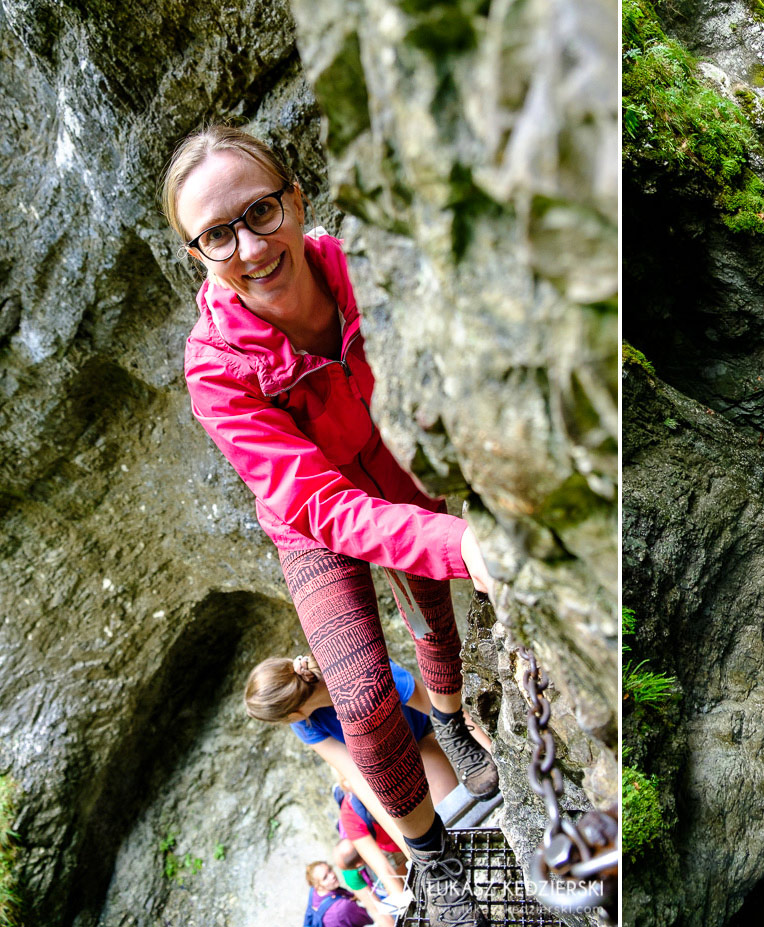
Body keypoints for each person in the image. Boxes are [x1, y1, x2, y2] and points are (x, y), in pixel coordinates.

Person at [164, 125, 494, 925]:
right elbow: (315, 499)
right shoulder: (215, 365)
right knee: (358, 690)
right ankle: (432, 856)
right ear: (197, 253)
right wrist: (462, 542)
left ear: (296, 199)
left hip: (390, 459)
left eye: (261, 211)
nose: (249, 244)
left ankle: (449, 721)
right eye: (217, 233)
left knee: (433, 614)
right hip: (310, 516)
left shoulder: (363, 272)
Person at [246, 655, 468, 901]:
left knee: (456, 821)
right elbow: (360, 782)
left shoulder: (357, 669)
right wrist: (414, 850)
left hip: (417, 738)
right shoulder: (305, 724)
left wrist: (493, 750)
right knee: (434, 850)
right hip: (383, 766)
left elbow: (445, 709)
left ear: (294, 712)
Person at [305, 860, 393, 927]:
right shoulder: (342, 908)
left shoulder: (314, 892)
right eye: (325, 877)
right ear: (318, 886)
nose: (332, 876)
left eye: (330, 870)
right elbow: (371, 919)